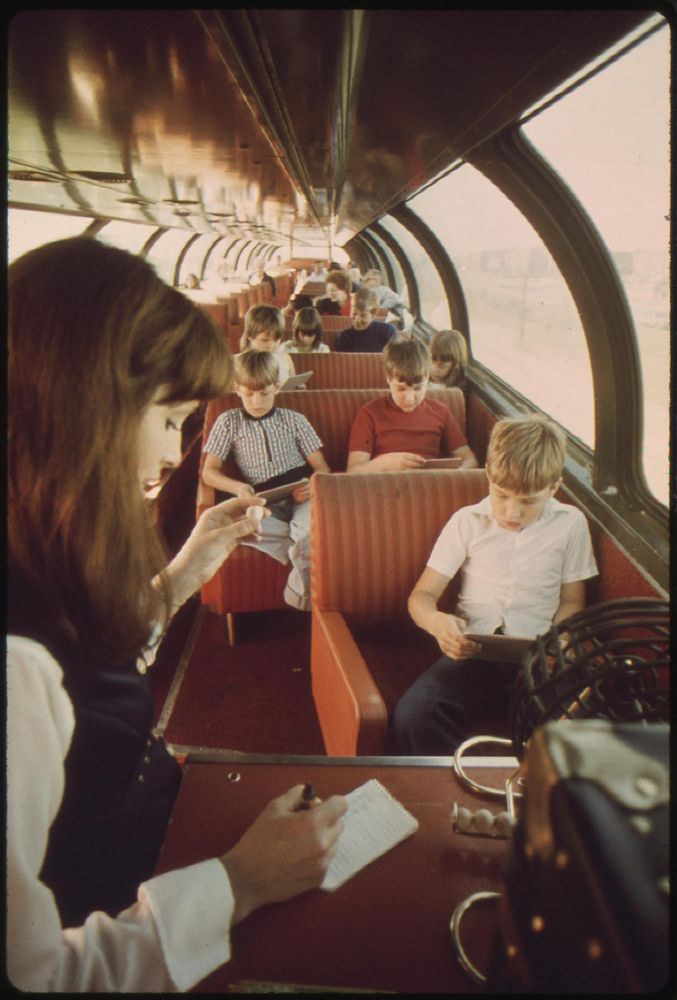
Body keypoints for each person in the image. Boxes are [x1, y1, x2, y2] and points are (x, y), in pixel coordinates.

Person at [7, 237, 347, 992]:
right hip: (124, 900)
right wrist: (242, 883)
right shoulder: (11, 667)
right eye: (167, 420)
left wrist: (183, 573)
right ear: (87, 409)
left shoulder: (35, 548)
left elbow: (83, 676)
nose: (170, 455)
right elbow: (37, 978)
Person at [391, 415, 598, 755]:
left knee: (582, 723)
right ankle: (449, 796)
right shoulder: (466, 522)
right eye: (501, 495)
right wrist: (437, 622)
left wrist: (558, 641)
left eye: (528, 501)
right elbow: (421, 597)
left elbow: (573, 600)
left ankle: (532, 798)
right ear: (488, 474)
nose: (511, 512)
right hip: (474, 654)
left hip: (538, 657)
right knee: (414, 715)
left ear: (554, 487)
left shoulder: (571, 524)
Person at [202, 350, 331, 610]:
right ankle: (301, 544)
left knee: (307, 528)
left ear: (277, 387)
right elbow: (209, 472)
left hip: (300, 493)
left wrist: (310, 486)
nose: (257, 401)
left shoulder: (295, 420)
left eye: (264, 393)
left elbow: (323, 469)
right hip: (261, 499)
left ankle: (302, 598)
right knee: (238, 528)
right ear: (237, 389)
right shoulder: (228, 422)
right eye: (249, 393)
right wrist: (237, 487)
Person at [346, 338, 477, 473]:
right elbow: (353, 470)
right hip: (385, 484)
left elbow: (469, 459)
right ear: (388, 378)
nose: (409, 399)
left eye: (417, 388)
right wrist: (388, 462)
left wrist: (456, 473)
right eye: (401, 389)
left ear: (428, 378)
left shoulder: (441, 411)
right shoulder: (369, 413)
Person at [239, 302, 295, 383]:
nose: (271, 346)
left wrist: (299, 388)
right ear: (250, 336)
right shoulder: (238, 365)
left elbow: (293, 384)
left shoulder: (285, 359)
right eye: (265, 340)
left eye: (276, 340)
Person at [336, 288, 397, 352]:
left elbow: (394, 358)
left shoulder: (387, 332)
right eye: (354, 314)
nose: (357, 320)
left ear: (373, 314)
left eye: (363, 315)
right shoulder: (344, 337)